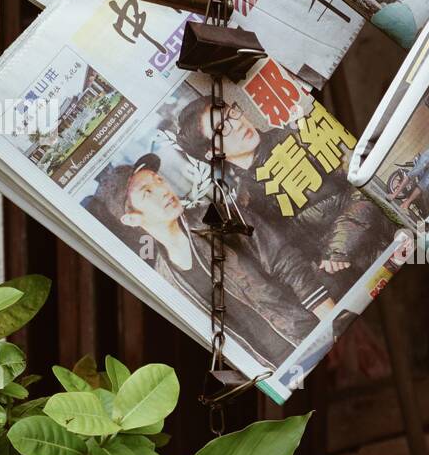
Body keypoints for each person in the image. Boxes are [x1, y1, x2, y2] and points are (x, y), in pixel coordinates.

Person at [87, 151, 318, 366]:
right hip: (267, 369)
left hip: (307, 335)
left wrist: (326, 316)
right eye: (147, 192)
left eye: (158, 180)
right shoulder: (163, 279)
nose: (163, 190)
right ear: (131, 220)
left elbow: (283, 259)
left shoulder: (213, 215)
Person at [174, 92, 391, 297]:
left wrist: (341, 246)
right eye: (222, 127)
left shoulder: (298, 135)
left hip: (390, 236)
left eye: (231, 112)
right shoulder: (246, 204)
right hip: (360, 284)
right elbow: (291, 262)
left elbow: (362, 181)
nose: (237, 123)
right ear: (213, 153)